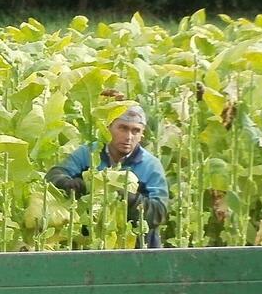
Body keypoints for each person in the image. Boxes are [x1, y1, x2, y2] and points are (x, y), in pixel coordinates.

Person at [45, 104, 170, 248]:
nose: (128, 137)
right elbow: (54, 175)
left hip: (137, 250)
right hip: (88, 244)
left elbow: (159, 212)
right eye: (123, 128)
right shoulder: (89, 154)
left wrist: (130, 200)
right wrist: (67, 183)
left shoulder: (150, 165)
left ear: (142, 135)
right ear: (109, 128)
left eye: (135, 131)